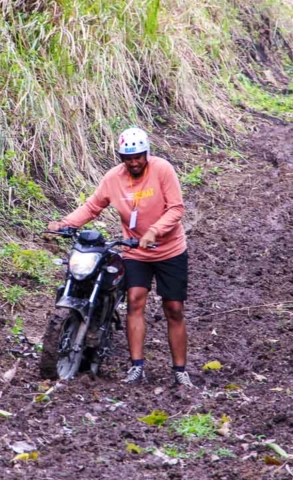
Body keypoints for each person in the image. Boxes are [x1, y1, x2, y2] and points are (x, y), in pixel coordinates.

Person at [47, 127, 193, 387]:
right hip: (135, 250)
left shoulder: (162, 170)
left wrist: (154, 231)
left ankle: (180, 370)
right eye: (128, 157)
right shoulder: (114, 178)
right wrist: (65, 223)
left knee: (173, 308)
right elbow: (93, 206)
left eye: (138, 156)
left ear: (146, 153)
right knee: (136, 300)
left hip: (169, 249)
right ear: (121, 157)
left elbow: (176, 208)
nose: (134, 162)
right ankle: (137, 367)